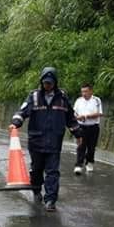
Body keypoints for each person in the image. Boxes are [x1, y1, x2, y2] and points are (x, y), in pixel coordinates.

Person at [9, 66, 82, 212]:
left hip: (54, 141)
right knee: (36, 170)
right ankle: (36, 189)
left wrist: (78, 133)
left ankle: (50, 200)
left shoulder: (62, 98)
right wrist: (15, 123)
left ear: (55, 82)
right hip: (36, 141)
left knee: (52, 171)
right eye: (45, 82)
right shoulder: (34, 96)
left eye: (50, 82)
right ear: (41, 81)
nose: (47, 85)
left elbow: (71, 118)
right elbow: (21, 112)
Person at [73, 83, 103, 175]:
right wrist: (77, 118)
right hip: (81, 127)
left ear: (91, 91)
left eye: (86, 91)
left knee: (91, 147)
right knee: (81, 146)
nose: (84, 93)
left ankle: (89, 162)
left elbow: (99, 113)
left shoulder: (96, 100)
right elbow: (74, 113)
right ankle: (78, 165)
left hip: (93, 127)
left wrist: (86, 116)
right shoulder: (78, 101)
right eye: (82, 91)